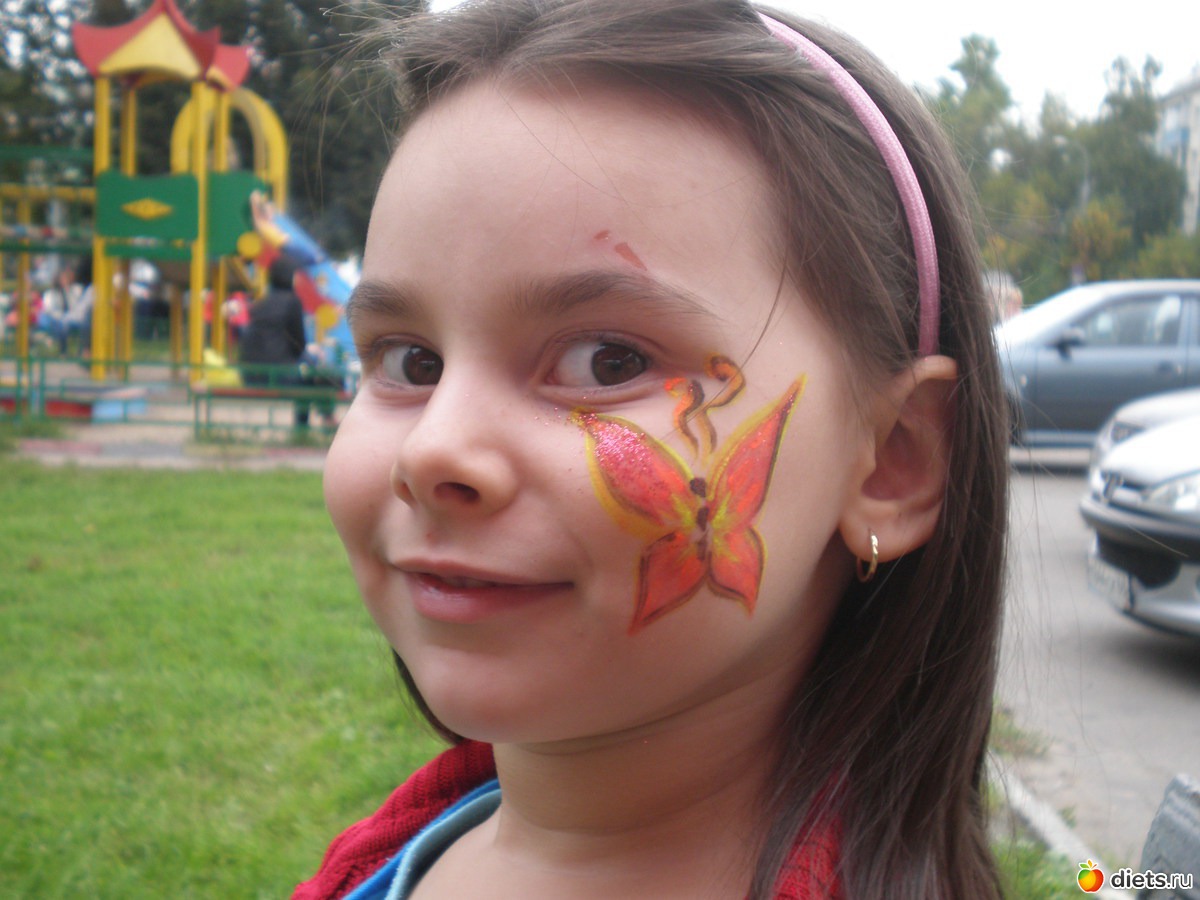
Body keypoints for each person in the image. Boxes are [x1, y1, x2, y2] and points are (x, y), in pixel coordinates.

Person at [298, 1, 1008, 898]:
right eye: (411, 361)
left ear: (893, 460)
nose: (434, 451)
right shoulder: (404, 852)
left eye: (608, 361)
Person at [239, 254, 335, 429]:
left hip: (250, 374)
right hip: (279, 374)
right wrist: (310, 354)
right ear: (290, 277)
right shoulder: (292, 303)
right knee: (314, 373)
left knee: (310, 371)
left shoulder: (260, 304)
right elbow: (299, 344)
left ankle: (314, 423)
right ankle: (312, 424)